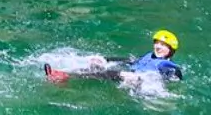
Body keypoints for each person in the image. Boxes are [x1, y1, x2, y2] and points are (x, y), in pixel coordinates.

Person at [45, 30, 183, 83]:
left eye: (163, 45)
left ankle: (65, 75)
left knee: (113, 73)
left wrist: (140, 78)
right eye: (156, 43)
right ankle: (64, 74)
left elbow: (176, 74)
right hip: (131, 76)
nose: (158, 47)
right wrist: (106, 59)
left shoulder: (167, 65)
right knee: (97, 65)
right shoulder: (150, 55)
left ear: (170, 51)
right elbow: (130, 60)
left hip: (141, 84)